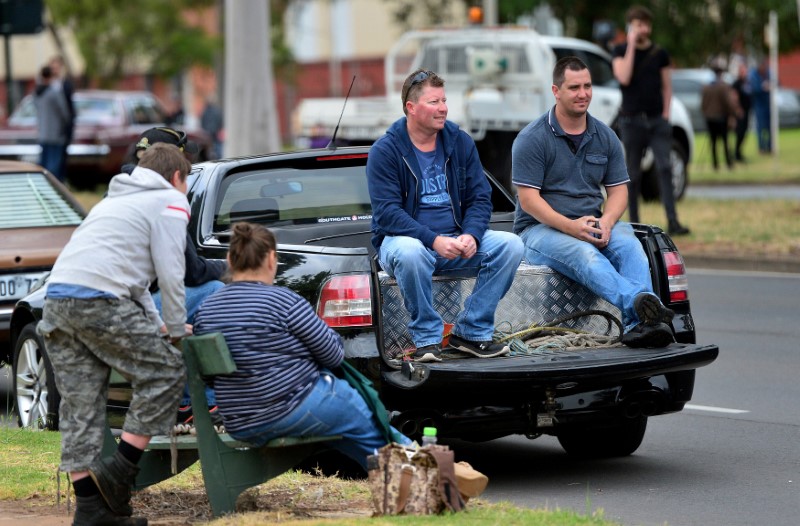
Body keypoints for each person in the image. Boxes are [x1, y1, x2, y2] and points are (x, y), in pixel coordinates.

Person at [39, 143, 193, 525]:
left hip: (57, 300)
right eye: (186, 182)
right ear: (177, 177)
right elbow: (172, 272)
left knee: (81, 407)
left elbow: (136, 281)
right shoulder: (170, 201)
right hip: (98, 301)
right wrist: (174, 330)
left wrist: (155, 323)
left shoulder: (112, 203)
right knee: (166, 372)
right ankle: (119, 474)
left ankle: (91, 510)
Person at [193, 222, 412, 471]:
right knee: (354, 406)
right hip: (287, 409)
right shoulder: (284, 301)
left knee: (353, 425)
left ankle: (401, 470)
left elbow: (210, 378)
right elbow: (333, 354)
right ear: (271, 260)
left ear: (230, 261)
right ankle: (421, 468)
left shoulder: (207, 310)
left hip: (240, 421)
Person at [511, 56, 675, 349]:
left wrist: (608, 222)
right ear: (556, 90)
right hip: (539, 231)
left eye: (587, 86)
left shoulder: (605, 136)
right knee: (585, 255)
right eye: (574, 87)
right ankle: (644, 310)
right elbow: (529, 201)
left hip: (593, 222)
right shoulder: (532, 139)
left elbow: (619, 192)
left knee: (631, 247)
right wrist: (572, 228)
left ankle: (641, 328)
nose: (583, 93)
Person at [366, 69, 524, 362]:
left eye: (444, 100)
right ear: (411, 108)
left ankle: (471, 332)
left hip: (454, 239)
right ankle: (427, 339)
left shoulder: (459, 141)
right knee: (411, 252)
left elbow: (479, 197)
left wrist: (471, 234)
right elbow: (387, 214)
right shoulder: (386, 151)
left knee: (511, 246)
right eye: (434, 102)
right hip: (405, 242)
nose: (443, 108)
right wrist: (433, 240)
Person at [123, 126, 228, 415]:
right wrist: (227, 267)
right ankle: (203, 400)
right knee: (216, 293)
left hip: (115, 305)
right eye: (183, 167)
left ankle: (185, 401)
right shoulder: (160, 200)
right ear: (171, 165)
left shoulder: (123, 188)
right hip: (126, 312)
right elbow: (189, 272)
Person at [612, 5, 690, 236]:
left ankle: (673, 220)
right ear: (630, 26)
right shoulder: (619, 51)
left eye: (646, 24)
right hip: (631, 121)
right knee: (633, 174)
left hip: (656, 121)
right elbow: (623, 77)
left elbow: (667, 87)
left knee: (665, 167)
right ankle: (635, 224)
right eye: (638, 25)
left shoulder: (660, 54)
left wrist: (665, 115)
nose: (643, 29)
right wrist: (631, 46)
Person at [34, 65, 72, 183]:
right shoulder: (54, 93)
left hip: (43, 133)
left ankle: (43, 186)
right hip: (56, 134)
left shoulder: (37, 93)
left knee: (44, 164)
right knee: (54, 165)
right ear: (51, 76)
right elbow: (64, 112)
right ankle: (54, 186)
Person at [701, 65, 737, 171]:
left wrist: (706, 113)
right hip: (721, 118)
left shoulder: (706, 87)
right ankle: (728, 163)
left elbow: (703, 104)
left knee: (713, 142)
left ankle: (715, 164)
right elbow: (728, 103)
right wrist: (733, 114)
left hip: (709, 118)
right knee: (725, 141)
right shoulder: (723, 87)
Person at [48, 55, 76, 182]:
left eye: (57, 67)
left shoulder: (66, 85)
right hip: (50, 129)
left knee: (62, 158)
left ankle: (61, 181)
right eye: (53, 68)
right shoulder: (47, 85)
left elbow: (69, 108)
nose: (55, 70)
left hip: (63, 128)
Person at [731, 62, 752, 162]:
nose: (744, 72)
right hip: (740, 112)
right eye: (742, 71)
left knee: (744, 132)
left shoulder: (747, 83)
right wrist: (738, 109)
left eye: (745, 70)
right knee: (739, 132)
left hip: (747, 111)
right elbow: (734, 97)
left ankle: (739, 152)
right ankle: (736, 153)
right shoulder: (736, 84)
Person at [749, 59, 771, 154]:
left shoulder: (769, 73)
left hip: (768, 104)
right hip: (759, 105)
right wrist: (763, 87)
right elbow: (754, 88)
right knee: (760, 127)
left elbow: (777, 83)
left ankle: (769, 146)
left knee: (770, 127)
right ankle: (761, 147)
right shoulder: (753, 74)